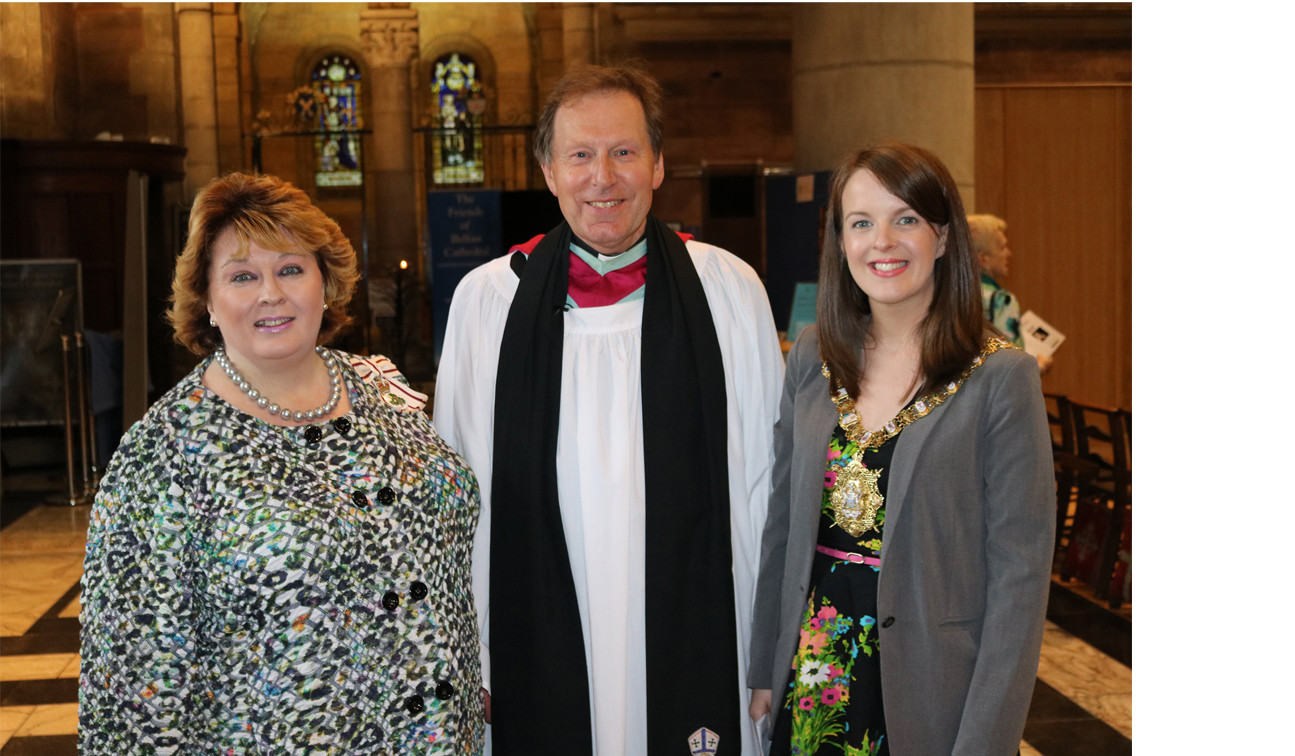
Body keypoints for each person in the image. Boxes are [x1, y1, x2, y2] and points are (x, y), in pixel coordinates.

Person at [432, 64, 782, 755]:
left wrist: (765, 644)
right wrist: (472, 645)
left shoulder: (727, 290)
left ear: (657, 165)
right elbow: (460, 490)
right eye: (581, 156)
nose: (603, 177)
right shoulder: (489, 300)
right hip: (537, 617)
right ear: (549, 170)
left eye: (624, 152)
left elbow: (767, 481)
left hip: (702, 619)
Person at [79, 173, 486, 754]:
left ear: (325, 283)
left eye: (291, 269)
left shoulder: (384, 390)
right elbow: (130, 693)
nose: (271, 292)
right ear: (209, 302)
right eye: (242, 276)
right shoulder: (164, 453)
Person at [748, 143, 1054, 756]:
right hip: (815, 674)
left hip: (933, 687)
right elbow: (782, 526)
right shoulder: (813, 355)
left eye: (905, 219)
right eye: (861, 223)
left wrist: (988, 738)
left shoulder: (1000, 378)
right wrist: (763, 667)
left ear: (942, 237)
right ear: (840, 242)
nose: (881, 241)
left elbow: (1018, 584)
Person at [967, 213, 1052, 374]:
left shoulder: (945, 294)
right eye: (1002, 247)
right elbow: (1013, 369)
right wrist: (1038, 366)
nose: (1008, 253)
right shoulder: (1002, 300)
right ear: (984, 259)